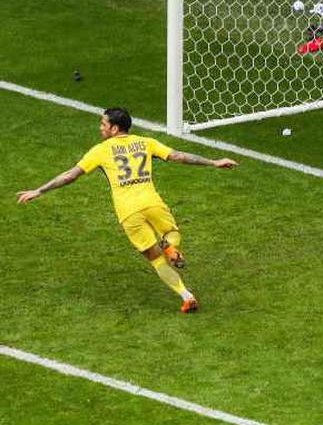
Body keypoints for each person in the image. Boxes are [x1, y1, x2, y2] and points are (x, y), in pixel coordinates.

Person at [16, 108, 238, 313]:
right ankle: (170, 247)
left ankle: (186, 296)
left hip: (128, 212)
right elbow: (179, 156)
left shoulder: (100, 150)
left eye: (103, 124)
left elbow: (70, 176)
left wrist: (40, 190)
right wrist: (214, 162)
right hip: (152, 202)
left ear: (114, 128)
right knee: (172, 234)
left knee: (155, 258)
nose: (100, 128)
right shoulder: (146, 142)